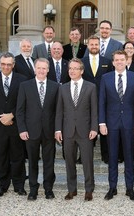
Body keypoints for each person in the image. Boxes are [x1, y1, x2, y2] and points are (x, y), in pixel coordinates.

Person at [99, 50, 134, 201]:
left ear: (126, 60)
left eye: (122, 59)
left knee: (129, 156)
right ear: (113, 62)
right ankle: (112, 188)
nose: (119, 62)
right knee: (112, 156)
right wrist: (102, 122)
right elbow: (102, 102)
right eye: (116, 60)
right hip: (111, 123)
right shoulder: (105, 78)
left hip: (130, 123)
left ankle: (130, 189)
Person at [0, 52, 27, 198]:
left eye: (9, 64)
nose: (6, 67)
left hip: (16, 125)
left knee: (18, 157)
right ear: (0, 64)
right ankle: (2, 186)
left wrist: (12, 115)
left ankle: (19, 185)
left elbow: (23, 102)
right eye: (3, 64)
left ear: (13, 65)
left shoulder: (22, 80)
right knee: (1, 157)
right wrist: (2, 116)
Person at [55, 58, 98, 201]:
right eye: (70, 69)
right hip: (67, 131)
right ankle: (71, 190)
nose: (72, 71)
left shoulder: (90, 87)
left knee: (87, 161)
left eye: (75, 68)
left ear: (82, 71)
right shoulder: (63, 88)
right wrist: (58, 130)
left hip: (85, 131)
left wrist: (94, 128)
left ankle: (89, 190)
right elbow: (59, 111)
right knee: (69, 162)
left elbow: (94, 110)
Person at [16, 58, 59, 201]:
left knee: (49, 162)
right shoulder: (25, 86)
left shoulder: (55, 86)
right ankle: (33, 189)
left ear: (48, 70)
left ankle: (48, 189)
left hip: (49, 131)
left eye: (44, 68)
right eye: (39, 68)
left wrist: (57, 130)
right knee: (32, 162)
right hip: (31, 131)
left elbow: (58, 111)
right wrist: (22, 129)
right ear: (35, 69)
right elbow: (20, 110)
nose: (41, 70)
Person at [81, 35, 112, 164]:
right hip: (85, 100)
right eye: (91, 44)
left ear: (100, 46)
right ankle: (84, 155)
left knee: (103, 126)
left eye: (96, 44)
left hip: (103, 99)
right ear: (88, 46)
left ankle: (106, 155)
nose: (94, 47)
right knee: (86, 127)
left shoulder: (107, 61)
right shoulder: (81, 62)